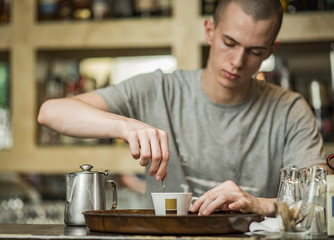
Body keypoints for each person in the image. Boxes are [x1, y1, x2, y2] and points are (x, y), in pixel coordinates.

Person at [38, 0, 330, 217]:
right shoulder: (159, 89)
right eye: (229, 43)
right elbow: (51, 112)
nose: (238, 62)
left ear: (271, 51)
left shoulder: (290, 110)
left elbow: (321, 204)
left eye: (255, 52)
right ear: (209, 31)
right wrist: (125, 125)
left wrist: (256, 203)